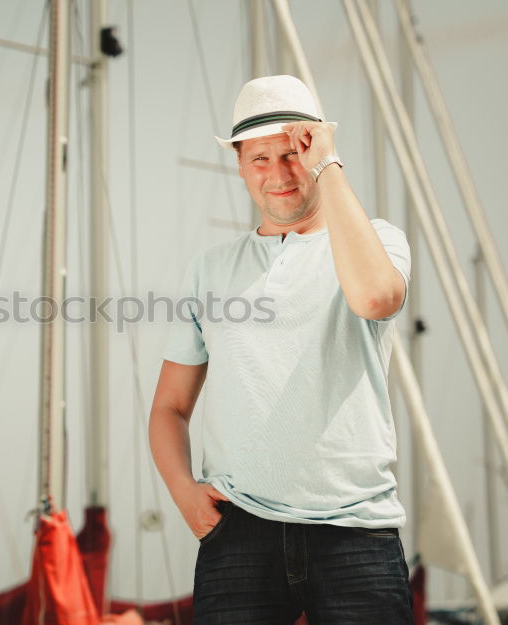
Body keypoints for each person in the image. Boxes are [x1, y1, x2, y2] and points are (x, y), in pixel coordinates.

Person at [148, 75, 413, 624]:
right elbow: (170, 407)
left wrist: (329, 166)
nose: (278, 174)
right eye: (260, 159)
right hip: (237, 533)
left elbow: (375, 296)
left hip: (355, 531)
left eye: (293, 154)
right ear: (241, 166)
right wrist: (185, 495)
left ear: (316, 151)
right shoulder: (210, 269)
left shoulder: (379, 239)